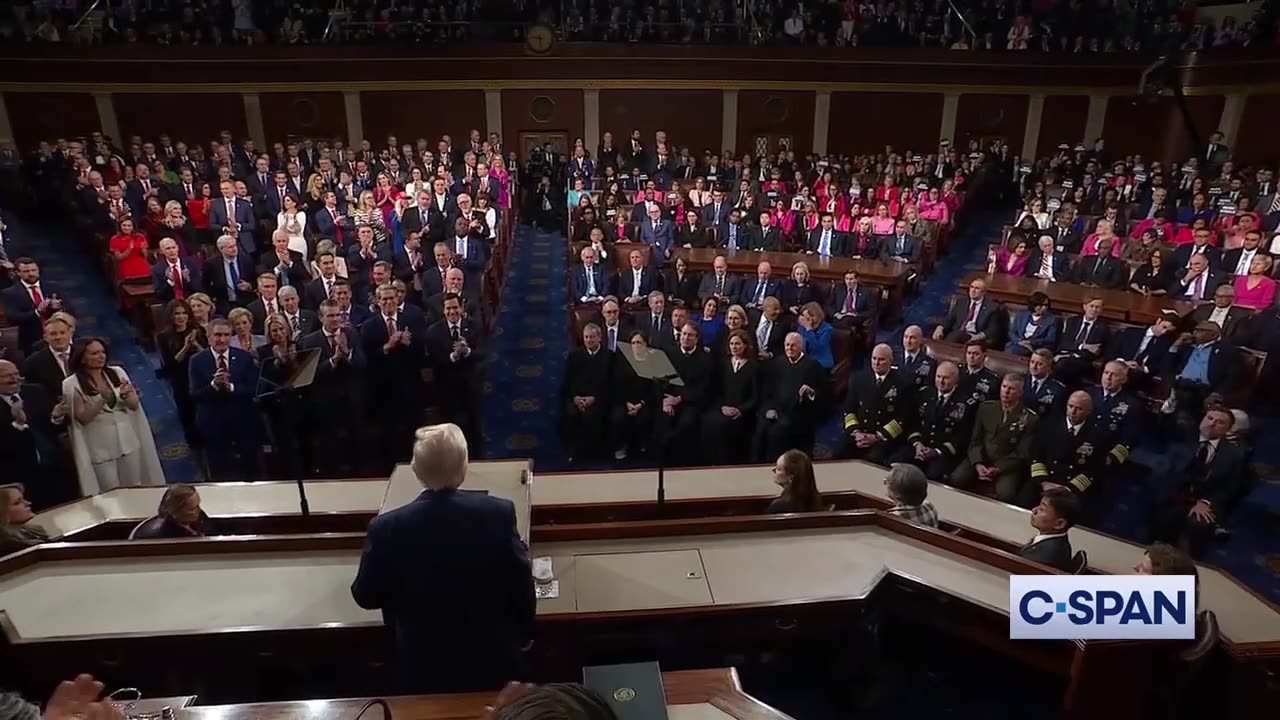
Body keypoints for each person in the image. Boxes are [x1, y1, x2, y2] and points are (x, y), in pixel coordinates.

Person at [351, 423, 534, 694]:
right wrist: (525, 635)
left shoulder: (386, 527)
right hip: (494, 662)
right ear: (463, 466)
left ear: (416, 469)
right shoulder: (498, 513)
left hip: (423, 667)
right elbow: (521, 585)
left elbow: (365, 596)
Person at [63, 339, 165, 496]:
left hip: (128, 441)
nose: (101, 356)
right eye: (95, 353)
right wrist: (102, 399)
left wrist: (127, 396)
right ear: (82, 357)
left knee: (135, 488)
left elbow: (134, 405)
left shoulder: (117, 372)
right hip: (100, 448)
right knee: (111, 494)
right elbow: (82, 418)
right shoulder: (72, 383)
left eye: (103, 352)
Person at [1148, 408, 1248, 557]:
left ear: (1227, 430)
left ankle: (1189, 562)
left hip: (1205, 502)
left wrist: (1206, 502)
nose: (1212, 424)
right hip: (1173, 494)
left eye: (1220, 422)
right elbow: (1165, 474)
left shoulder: (1235, 454)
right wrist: (1185, 499)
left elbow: (1230, 487)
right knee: (1165, 516)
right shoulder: (1181, 438)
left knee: (1200, 524)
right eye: (1210, 418)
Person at [190, 318, 261, 481]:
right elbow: (195, 395)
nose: (222, 339)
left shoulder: (243, 357)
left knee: (250, 465)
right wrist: (214, 385)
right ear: (208, 337)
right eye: (217, 335)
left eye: (226, 335)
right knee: (220, 468)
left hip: (242, 419)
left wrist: (232, 388)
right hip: (213, 421)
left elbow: (254, 387)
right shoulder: (197, 361)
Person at [950, 373, 1039, 502]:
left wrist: (998, 469)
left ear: (1020, 393)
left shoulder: (1030, 418)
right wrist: (978, 463)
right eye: (1004, 387)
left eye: (1011, 389)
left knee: (1006, 494)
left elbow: (1022, 453)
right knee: (956, 478)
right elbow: (976, 440)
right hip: (982, 458)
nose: (1006, 392)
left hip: (1006, 465)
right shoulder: (986, 408)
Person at [841, 344, 911, 462]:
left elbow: (902, 418)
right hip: (859, 432)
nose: (876, 363)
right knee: (839, 454)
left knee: (873, 460)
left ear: (890, 361)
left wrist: (877, 436)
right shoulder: (858, 378)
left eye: (881, 359)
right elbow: (849, 409)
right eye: (874, 358)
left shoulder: (902, 384)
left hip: (883, 437)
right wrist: (856, 432)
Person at [700, 329, 759, 465]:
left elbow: (756, 396)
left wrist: (741, 410)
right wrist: (722, 406)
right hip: (723, 408)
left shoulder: (754, 367)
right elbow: (717, 390)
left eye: (738, 344)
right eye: (732, 344)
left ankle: (726, 463)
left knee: (724, 426)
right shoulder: (723, 364)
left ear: (745, 345)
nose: (734, 347)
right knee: (707, 421)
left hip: (743, 412)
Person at [1018, 489, 1082, 572]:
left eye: (1042, 509)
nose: (1034, 510)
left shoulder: (1046, 555)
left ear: (1059, 524)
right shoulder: (1055, 541)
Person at [132, 484, 216, 539]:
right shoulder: (162, 536)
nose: (199, 510)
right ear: (175, 511)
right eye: (192, 509)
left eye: (198, 505)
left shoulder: (200, 517)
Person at [766, 449, 824, 513]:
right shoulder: (816, 500)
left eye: (779, 469)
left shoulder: (779, 506)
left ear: (791, 476)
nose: (773, 470)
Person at [883, 463, 939, 528]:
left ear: (898, 494)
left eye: (887, 481)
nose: (885, 483)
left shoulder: (893, 518)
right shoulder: (929, 506)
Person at [0, 483, 49, 556]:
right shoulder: (8, 548)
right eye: (17, 502)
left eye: (24, 499)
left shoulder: (34, 532)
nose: (28, 503)